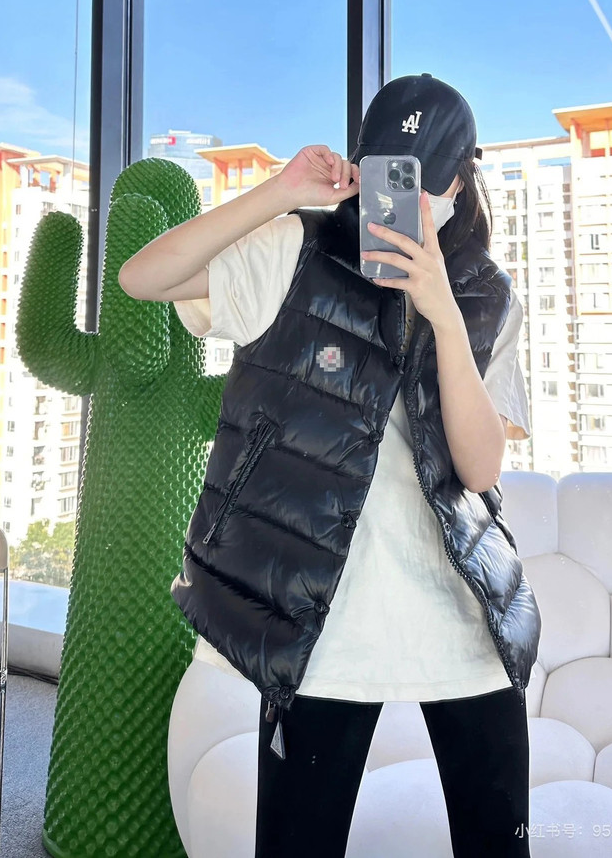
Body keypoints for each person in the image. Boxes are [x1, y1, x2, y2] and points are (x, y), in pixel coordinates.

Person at [120, 73, 540, 857]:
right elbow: (141, 277)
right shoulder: (296, 247)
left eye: (420, 179)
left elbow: (481, 470)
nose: (402, 198)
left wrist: (443, 313)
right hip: (322, 627)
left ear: (458, 181)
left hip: (463, 621)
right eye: (387, 172)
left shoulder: (488, 295)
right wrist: (279, 193)